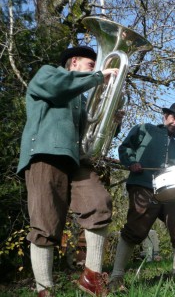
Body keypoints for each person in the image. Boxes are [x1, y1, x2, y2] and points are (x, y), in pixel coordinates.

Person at [17, 46, 120, 297]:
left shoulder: (81, 98)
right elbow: (58, 87)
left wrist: (113, 120)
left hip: (75, 161)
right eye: (90, 64)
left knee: (99, 203)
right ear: (74, 61)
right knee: (45, 225)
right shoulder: (47, 74)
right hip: (45, 155)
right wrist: (98, 78)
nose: (94, 69)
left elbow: (91, 132)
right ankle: (45, 290)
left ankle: (91, 279)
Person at [108, 102, 175, 291]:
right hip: (144, 185)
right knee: (135, 229)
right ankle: (116, 277)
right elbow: (125, 148)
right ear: (165, 115)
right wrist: (131, 162)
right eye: (173, 117)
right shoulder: (145, 130)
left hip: (171, 191)